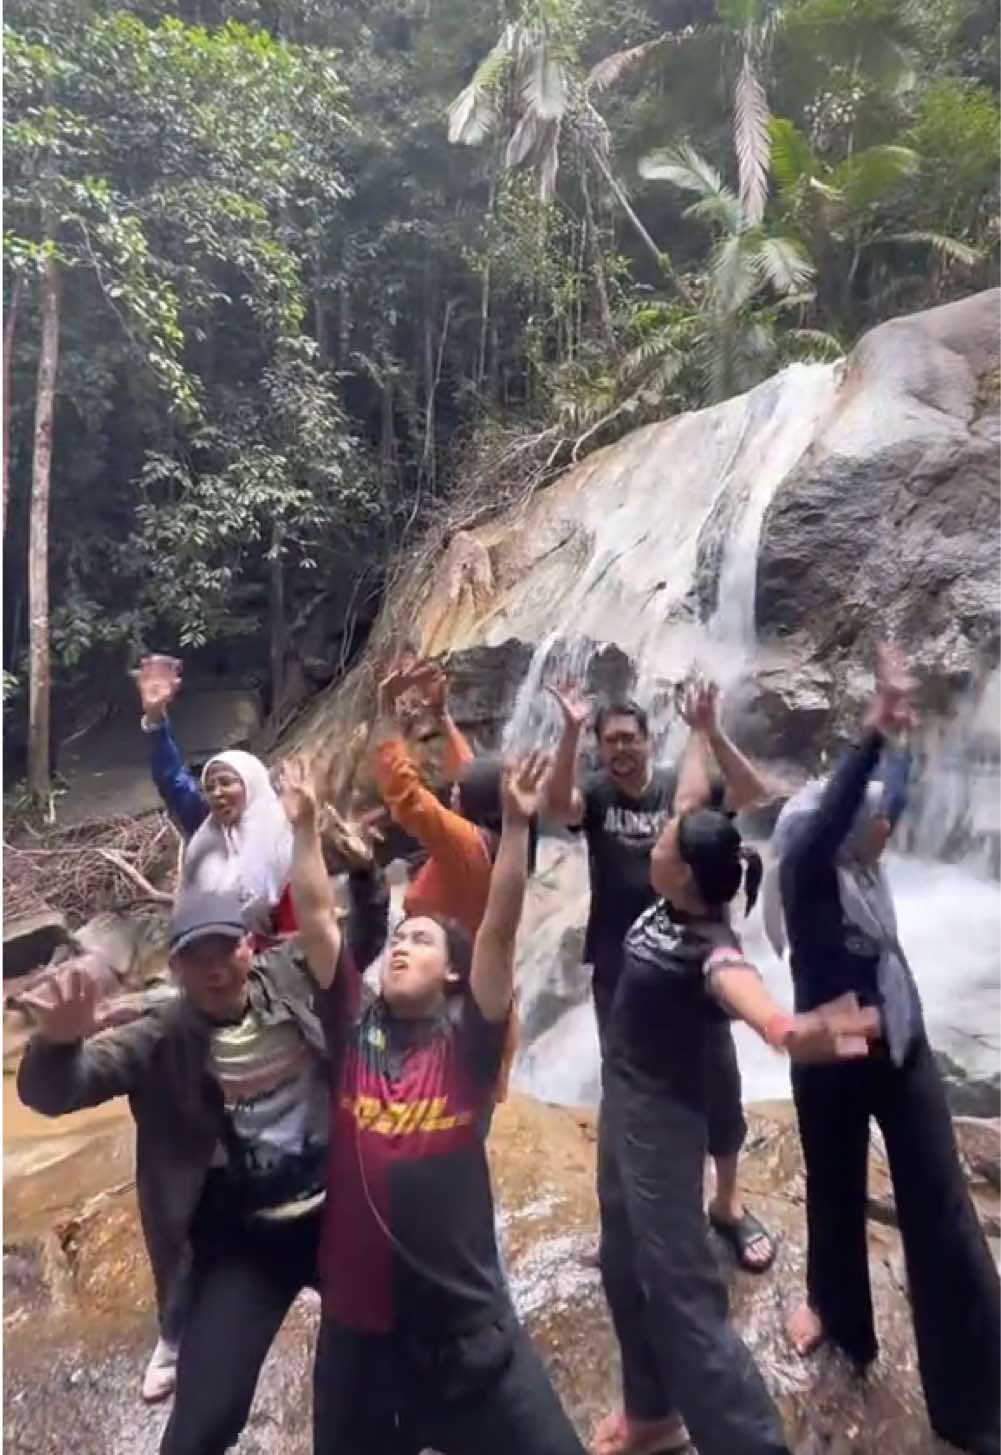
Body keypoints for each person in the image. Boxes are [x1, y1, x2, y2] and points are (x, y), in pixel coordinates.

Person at [278, 749, 588, 1455]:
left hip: (465, 1328)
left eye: (418, 939)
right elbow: (321, 924)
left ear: (452, 970)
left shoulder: (469, 1044)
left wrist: (514, 826)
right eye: (395, 939)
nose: (398, 947)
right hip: (358, 1337)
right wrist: (302, 830)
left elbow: (501, 929)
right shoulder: (351, 1022)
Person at [16, 867, 388, 1453]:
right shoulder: (159, 1035)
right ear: (176, 969)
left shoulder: (291, 974)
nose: (216, 969)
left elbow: (358, 941)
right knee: (201, 1425)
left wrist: (366, 874)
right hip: (243, 1244)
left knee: (368, 1393)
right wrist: (57, 1044)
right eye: (198, 957)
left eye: (227, 948)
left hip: (338, 1219)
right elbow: (60, 1091)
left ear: (250, 946)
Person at [595, 776, 882, 1455]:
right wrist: (700, 727)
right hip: (621, 1095)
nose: (657, 837)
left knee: (681, 1293)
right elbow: (698, 789)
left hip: (661, 1122)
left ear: (685, 873)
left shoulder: (709, 947)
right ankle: (652, 1413)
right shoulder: (672, 897)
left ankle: (751, 1442)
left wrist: (790, 1029)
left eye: (665, 838)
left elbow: (746, 992)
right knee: (619, 1258)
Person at [764, 645, 1001, 1455]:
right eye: (868, 827)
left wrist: (894, 736)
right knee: (831, 1195)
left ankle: (975, 1394)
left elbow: (884, 800)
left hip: (896, 1038)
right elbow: (834, 816)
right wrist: (868, 731)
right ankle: (839, 1321)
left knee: (938, 1203)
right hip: (828, 1058)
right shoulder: (802, 862)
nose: (883, 835)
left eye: (885, 825)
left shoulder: (859, 860)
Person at [545, 679, 776, 1293]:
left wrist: (709, 728)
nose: (621, 750)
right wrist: (569, 731)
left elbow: (754, 794)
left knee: (718, 1080)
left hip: (695, 966)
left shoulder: (685, 789)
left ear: (650, 741)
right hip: (622, 970)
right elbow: (557, 806)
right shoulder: (594, 794)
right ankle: (618, 1229)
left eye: (630, 739)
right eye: (610, 741)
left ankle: (726, 1204)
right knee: (622, 1098)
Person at [368, 657, 529, 1101]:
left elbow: (407, 797)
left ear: (471, 803)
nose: (453, 787)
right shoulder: (496, 837)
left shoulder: (463, 847)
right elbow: (474, 772)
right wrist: (441, 718)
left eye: (459, 791)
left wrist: (386, 715)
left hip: (445, 1002)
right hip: (471, 992)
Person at [134, 654, 296, 940]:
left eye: (227, 783)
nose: (217, 793)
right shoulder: (206, 828)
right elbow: (171, 779)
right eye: (210, 787)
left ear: (251, 785)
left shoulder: (282, 832)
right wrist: (155, 719)